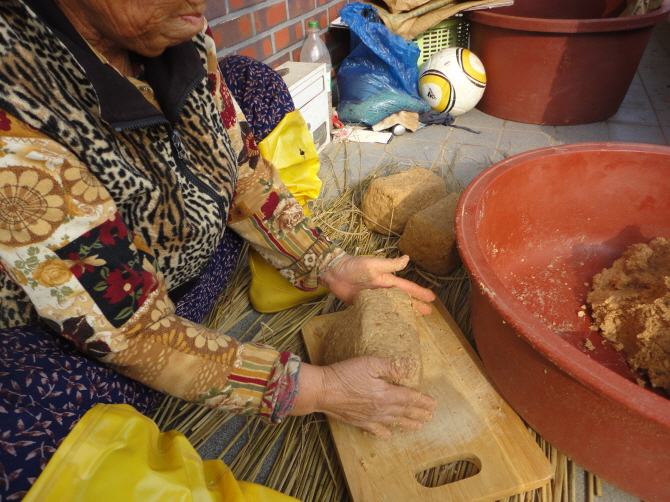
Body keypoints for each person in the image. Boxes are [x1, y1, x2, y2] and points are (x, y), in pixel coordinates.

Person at [0, 0, 437, 498]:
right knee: (18, 445)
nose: (202, 4)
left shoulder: (179, 36)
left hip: (199, 269)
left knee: (252, 80)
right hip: (86, 342)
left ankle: (280, 273)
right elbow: (131, 333)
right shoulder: (16, 110)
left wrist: (326, 263)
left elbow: (241, 168)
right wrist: (316, 390)